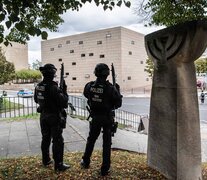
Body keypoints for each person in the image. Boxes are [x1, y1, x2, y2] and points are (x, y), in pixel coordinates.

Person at [80, 63, 122, 176]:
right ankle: (105, 168)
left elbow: (86, 95)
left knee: (91, 140)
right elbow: (118, 104)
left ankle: (85, 161)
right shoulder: (110, 88)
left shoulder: (89, 85)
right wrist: (118, 91)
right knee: (106, 143)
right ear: (107, 74)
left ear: (95, 73)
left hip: (95, 117)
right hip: (107, 118)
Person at [34, 63, 70, 171]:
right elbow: (64, 103)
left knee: (45, 138)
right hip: (54, 117)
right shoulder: (54, 87)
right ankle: (58, 164)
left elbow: (36, 100)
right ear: (53, 74)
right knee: (57, 140)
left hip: (43, 116)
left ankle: (46, 160)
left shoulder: (39, 86)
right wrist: (64, 91)